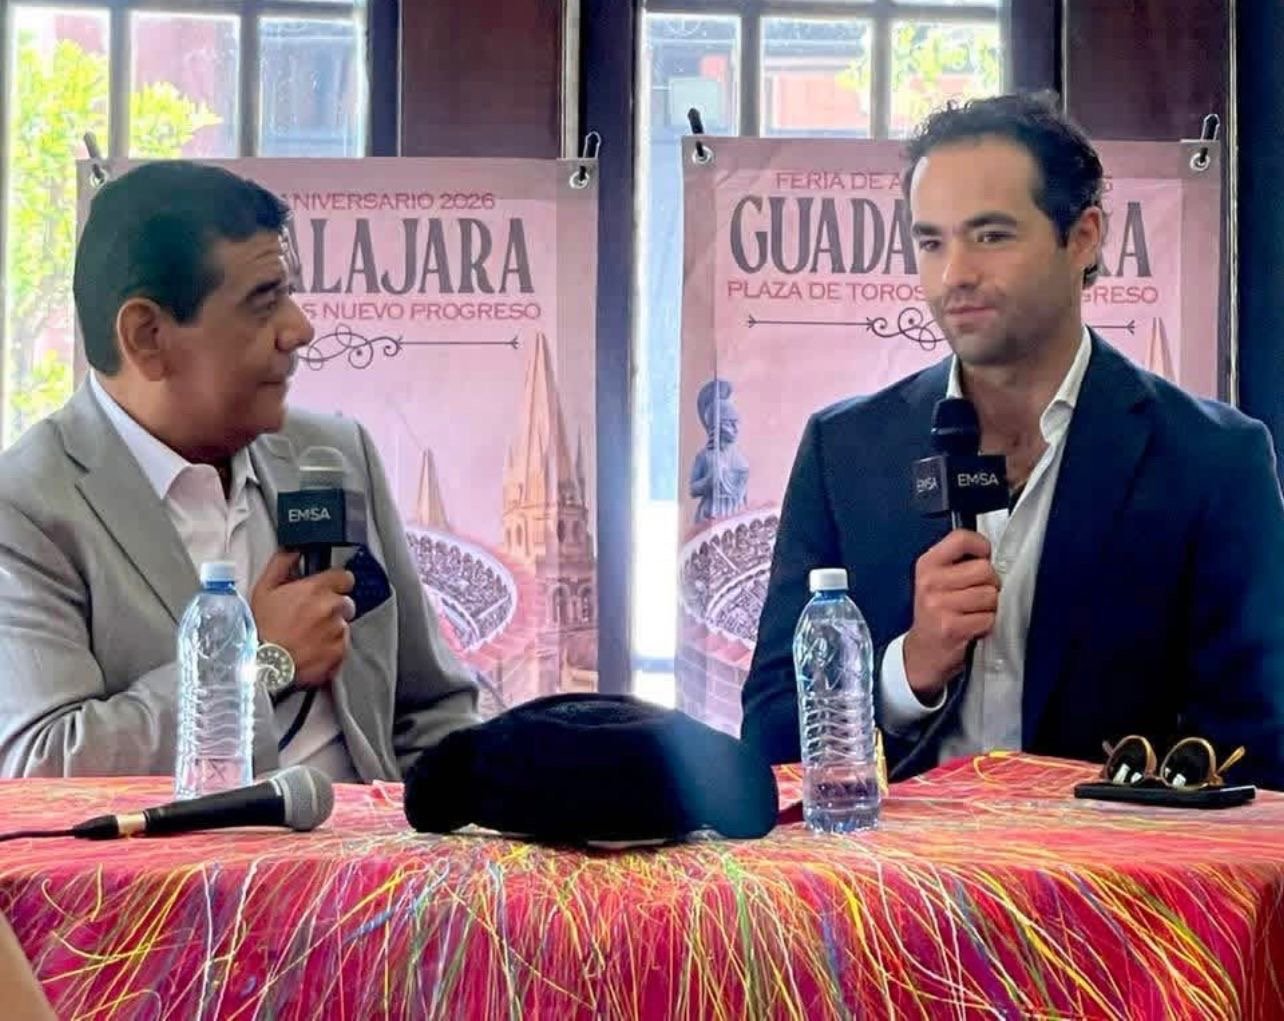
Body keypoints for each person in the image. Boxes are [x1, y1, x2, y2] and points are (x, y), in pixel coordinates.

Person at [741, 93, 1284, 790]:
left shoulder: (1213, 461)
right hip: (893, 861)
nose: (955, 274)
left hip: (1110, 859)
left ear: (1083, 237)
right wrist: (907, 670)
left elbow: (1256, 751)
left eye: (991, 236)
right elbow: (771, 733)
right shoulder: (844, 451)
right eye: (931, 242)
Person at [0, 161, 479, 780]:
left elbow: (434, 708)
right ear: (147, 336)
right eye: (263, 302)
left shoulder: (335, 455)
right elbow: (42, 763)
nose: (300, 329)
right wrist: (260, 660)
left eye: (290, 294)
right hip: (182, 847)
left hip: (379, 840)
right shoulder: (28, 506)